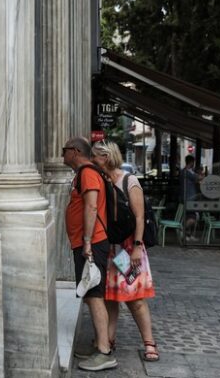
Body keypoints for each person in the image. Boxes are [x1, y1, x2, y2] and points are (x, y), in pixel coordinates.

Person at [91, 141, 159, 362]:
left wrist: (138, 247)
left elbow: (139, 217)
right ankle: (109, 340)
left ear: (106, 157)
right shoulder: (101, 180)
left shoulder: (129, 181)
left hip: (129, 249)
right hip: (110, 248)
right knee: (110, 298)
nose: (92, 161)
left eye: (95, 157)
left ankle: (149, 342)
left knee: (135, 298)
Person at [63, 136, 117, 372]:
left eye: (64, 150)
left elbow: (92, 206)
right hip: (89, 243)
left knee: (94, 295)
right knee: (91, 294)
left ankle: (104, 351)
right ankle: (99, 343)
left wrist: (86, 242)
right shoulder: (85, 173)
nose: (61, 155)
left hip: (92, 243)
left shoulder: (87, 173)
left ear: (75, 152)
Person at [178, 155, 201, 241]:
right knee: (194, 217)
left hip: (188, 197)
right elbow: (198, 177)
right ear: (191, 162)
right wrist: (201, 173)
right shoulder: (187, 172)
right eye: (193, 162)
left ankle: (188, 235)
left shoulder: (184, 171)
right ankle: (182, 229)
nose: (193, 164)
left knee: (190, 216)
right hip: (189, 198)